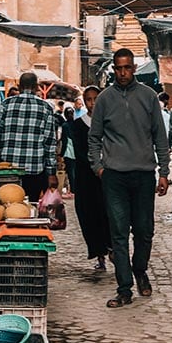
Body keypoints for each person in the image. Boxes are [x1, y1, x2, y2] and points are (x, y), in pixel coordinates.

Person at [88, 48, 170, 308]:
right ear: (114, 69)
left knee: (145, 231)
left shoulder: (148, 97)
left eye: (127, 68)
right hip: (114, 177)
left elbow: (160, 137)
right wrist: (98, 167)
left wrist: (164, 172)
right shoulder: (104, 99)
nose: (123, 73)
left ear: (134, 68)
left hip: (144, 175)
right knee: (119, 234)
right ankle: (124, 288)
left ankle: (140, 269)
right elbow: (94, 137)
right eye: (118, 68)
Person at [0, 73, 59, 202]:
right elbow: (50, 142)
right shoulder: (46, 108)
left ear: (19, 86)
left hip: (9, 169)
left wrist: (6, 144)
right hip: (34, 170)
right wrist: (51, 173)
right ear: (36, 87)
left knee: (8, 205)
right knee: (31, 205)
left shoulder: (6, 104)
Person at [71, 86, 110, 270]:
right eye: (89, 99)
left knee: (109, 213)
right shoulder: (78, 125)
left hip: (108, 175)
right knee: (89, 214)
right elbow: (81, 152)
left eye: (96, 99)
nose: (93, 103)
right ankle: (98, 253)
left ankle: (112, 248)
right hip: (86, 177)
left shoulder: (110, 122)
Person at [58, 107, 76, 197]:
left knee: (70, 172)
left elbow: (64, 141)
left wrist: (61, 154)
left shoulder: (65, 125)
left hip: (68, 152)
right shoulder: (77, 124)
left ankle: (73, 190)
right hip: (76, 151)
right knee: (75, 171)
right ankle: (75, 189)